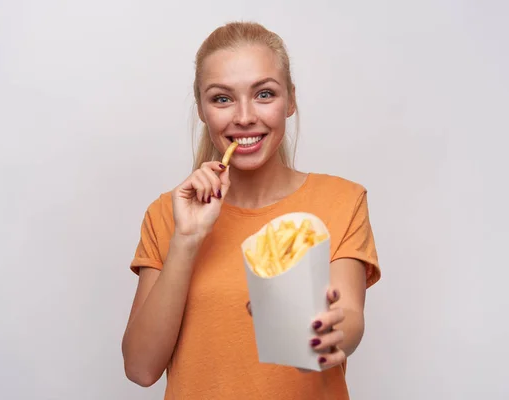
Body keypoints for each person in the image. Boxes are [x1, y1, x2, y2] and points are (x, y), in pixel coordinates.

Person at [121, 21, 381, 399]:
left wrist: (326, 333)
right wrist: (187, 239)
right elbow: (140, 368)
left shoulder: (342, 200)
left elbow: (350, 319)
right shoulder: (168, 215)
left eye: (264, 94)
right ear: (201, 110)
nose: (244, 117)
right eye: (222, 99)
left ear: (291, 101)